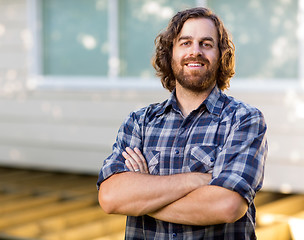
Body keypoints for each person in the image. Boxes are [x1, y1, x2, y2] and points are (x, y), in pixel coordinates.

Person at [97, 7, 267, 240]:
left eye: (206, 44)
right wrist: (198, 179)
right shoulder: (139, 123)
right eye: (185, 43)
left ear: (221, 54)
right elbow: (111, 198)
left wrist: (141, 198)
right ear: (171, 53)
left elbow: (227, 206)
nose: (195, 52)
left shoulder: (243, 120)